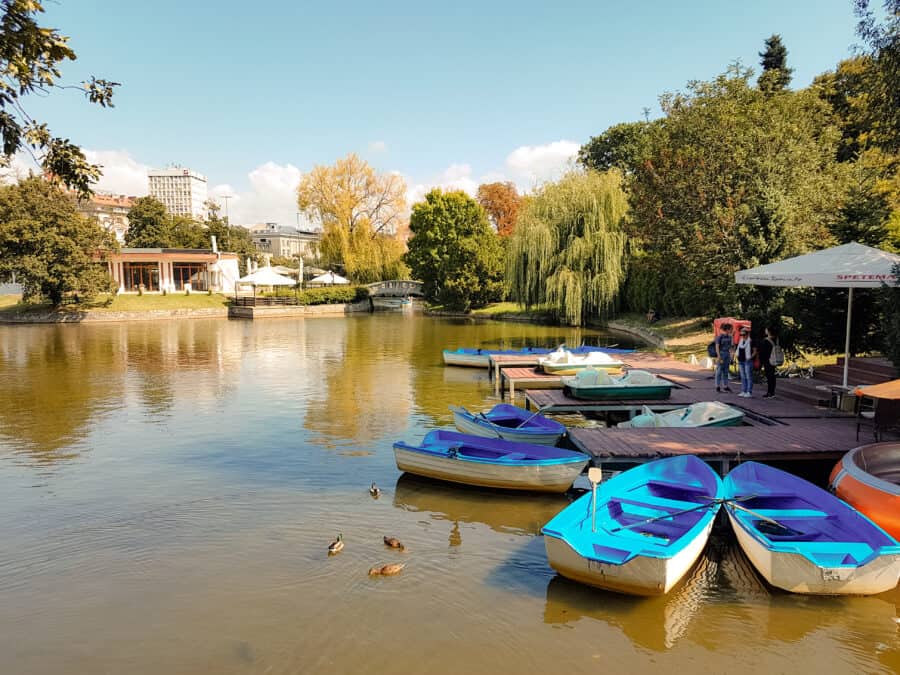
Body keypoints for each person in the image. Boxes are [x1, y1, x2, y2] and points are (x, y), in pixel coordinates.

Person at [735, 326, 757, 398]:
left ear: (747, 334)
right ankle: (743, 391)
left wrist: (750, 358)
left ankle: (749, 392)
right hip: (741, 361)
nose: (742, 336)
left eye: (744, 335)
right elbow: (738, 350)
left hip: (747, 361)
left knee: (748, 377)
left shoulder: (751, 341)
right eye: (741, 335)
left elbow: (755, 352)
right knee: (743, 377)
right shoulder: (740, 341)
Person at [758, 326, 778, 399]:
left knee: (769, 377)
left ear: (768, 331)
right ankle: (772, 392)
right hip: (774, 359)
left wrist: (761, 363)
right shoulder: (776, 339)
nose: (765, 331)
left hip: (767, 360)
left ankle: (770, 392)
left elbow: (762, 352)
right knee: (772, 376)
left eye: (766, 330)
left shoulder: (766, 341)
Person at [715, 323, 734, 393]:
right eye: (731, 329)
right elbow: (717, 347)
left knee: (726, 371)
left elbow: (732, 347)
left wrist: (732, 357)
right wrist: (719, 356)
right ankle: (717, 386)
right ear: (727, 329)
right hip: (721, 354)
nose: (732, 330)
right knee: (719, 371)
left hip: (727, 354)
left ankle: (725, 386)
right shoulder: (720, 337)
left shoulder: (730, 337)